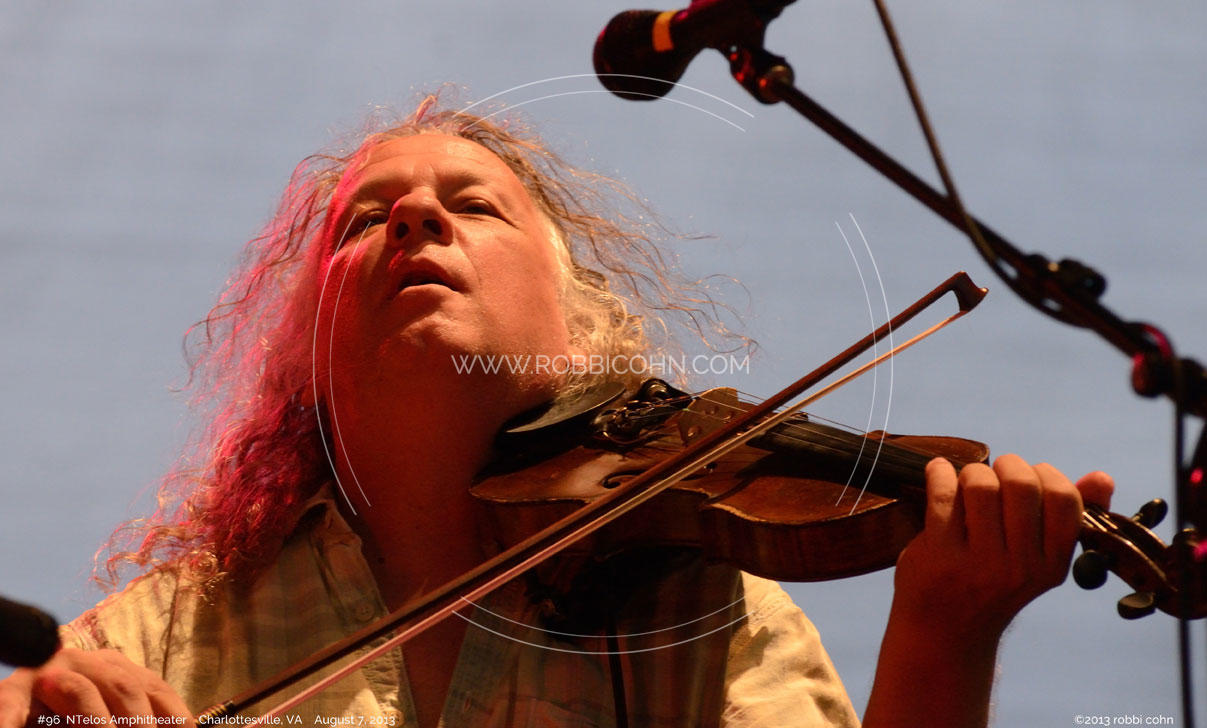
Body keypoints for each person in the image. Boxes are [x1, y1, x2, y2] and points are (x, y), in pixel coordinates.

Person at [0, 97, 1112, 728]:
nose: (416, 219)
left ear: (579, 323)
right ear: (304, 346)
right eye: (364, 221)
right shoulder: (161, 633)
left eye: (474, 206)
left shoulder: (703, 615)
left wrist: (945, 634)